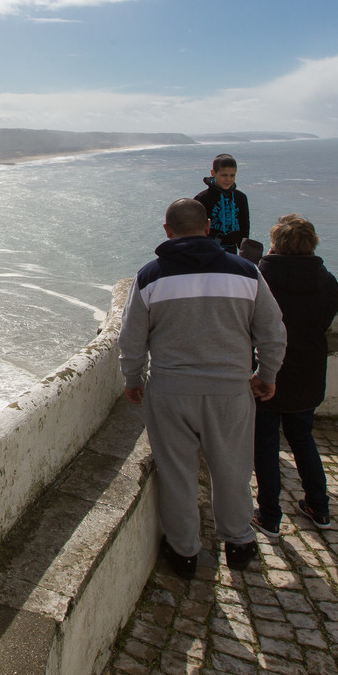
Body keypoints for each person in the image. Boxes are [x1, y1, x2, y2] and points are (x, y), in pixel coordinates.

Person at [120, 198, 286, 578]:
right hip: (230, 390)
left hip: (170, 390)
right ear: (209, 226)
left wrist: (133, 379)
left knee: (177, 473)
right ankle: (239, 542)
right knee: (232, 468)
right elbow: (273, 333)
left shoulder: (150, 277)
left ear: (167, 231)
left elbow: (131, 341)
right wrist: (267, 374)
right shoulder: (246, 273)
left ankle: (185, 553)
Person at [252, 215, 338, 535]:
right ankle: (319, 505)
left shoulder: (260, 278)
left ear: (276, 243)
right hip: (309, 371)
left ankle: (269, 514)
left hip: (266, 372)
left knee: (265, 443)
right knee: (303, 438)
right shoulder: (327, 282)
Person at [194, 153, 251, 255]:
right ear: (213, 173)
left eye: (232, 175)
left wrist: (244, 249)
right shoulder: (202, 199)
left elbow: (245, 225)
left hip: (232, 250)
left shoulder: (240, 198)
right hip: (209, 250)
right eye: (224, 175)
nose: (228, 179)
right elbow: (197, 229)